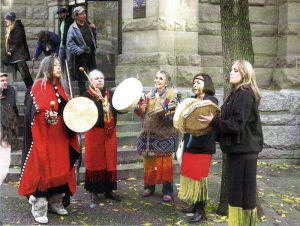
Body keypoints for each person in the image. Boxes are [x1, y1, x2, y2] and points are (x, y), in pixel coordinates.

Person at [199, 60, 263, 226]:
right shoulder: (236, 93)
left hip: (244, 152)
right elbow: (230, 121)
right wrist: (215, 121)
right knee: (237, 194)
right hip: (238, 151)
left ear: (245, 74)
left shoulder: (244, 94)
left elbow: (236, 124)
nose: (231, 73)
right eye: (231, 70)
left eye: (236, 70)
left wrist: (214, 121)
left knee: (243, 195)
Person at [18, 56, 80, 224]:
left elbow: (67, 111)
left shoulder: (61, 87)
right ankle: (39, 206)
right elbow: (33, 112)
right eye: (55, 65)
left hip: (61, 136)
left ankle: (56, 201)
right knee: (44, 170)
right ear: (47, 67)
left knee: (61, 168)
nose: (59, 67)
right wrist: (45, 115)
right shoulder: (38, 86)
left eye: (60, 65)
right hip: (44, 135)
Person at [178, 73, 218, 223]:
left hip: (203, 147)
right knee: (190, 176)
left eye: (199, 82)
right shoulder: (194, 100)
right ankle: (194, 204)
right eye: (193, 82)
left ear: (206, 84)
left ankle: (201, 210)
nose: (195, 85)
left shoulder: (210, 101)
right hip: (190, 145)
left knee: (200, 178)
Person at [134, 70, 178, 202]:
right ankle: (149, 186)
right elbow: (141, 114)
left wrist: (166, 111)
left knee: (165, 164)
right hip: (148, 135)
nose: (157, 80)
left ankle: (168, 190)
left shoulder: (171, 96)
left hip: (164, 135)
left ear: (166, 83)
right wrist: (139, 107)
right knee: (149, 163)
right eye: (156, 78)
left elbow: (174, 116)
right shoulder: (148, 95)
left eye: (161, 78)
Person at [82, 69, 121, 204]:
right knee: (95, 160)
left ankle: (109, 190)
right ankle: (93, 191)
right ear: (90, 81)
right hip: (94, 132)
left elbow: (117, 109)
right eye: (96, 78)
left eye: (101, 78)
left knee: (109, 160)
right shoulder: (86, 96)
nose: (99, 80)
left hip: (109, 131)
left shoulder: (110, 94)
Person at [66, 6, 97, 95]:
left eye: (84, 13)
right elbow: (70, 44)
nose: (84, 15)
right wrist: (80, 50)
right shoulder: (72, 28)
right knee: (82, 78)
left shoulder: (88, 24)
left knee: (94, 74)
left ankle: (95, 93)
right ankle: (83, 95)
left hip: (91, 54)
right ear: (76, 16)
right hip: (81, 56)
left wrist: (94, 29)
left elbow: (93, 37)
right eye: (81, 14)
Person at [2, 12, 33, 88]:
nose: (5, 21)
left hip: (19, 57)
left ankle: (33, 91)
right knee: (7, 76)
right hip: (13, 58)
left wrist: (10, 51)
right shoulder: (10, 28)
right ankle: (6, 93)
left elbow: (18, 41)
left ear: (11, 20)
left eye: (7, 19)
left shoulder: (18, 27)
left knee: (26, 77)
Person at [0, 73, 18, 185]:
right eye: (2, 80)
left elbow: (11, 106)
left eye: (5, 80)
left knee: (5, 157)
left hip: (7, 126)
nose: (5, 82)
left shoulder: (10, 90)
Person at [57, 8, 74, 74]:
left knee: (69, 61)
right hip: (61, 44)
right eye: (59, 14)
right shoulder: (61, 21)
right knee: (61, 61)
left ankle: (69, 77)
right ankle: (62, 77)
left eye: (61, 13)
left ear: (65, 13)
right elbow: (61, 33)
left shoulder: (70, 20)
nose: (60, 15)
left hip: (68, 44)